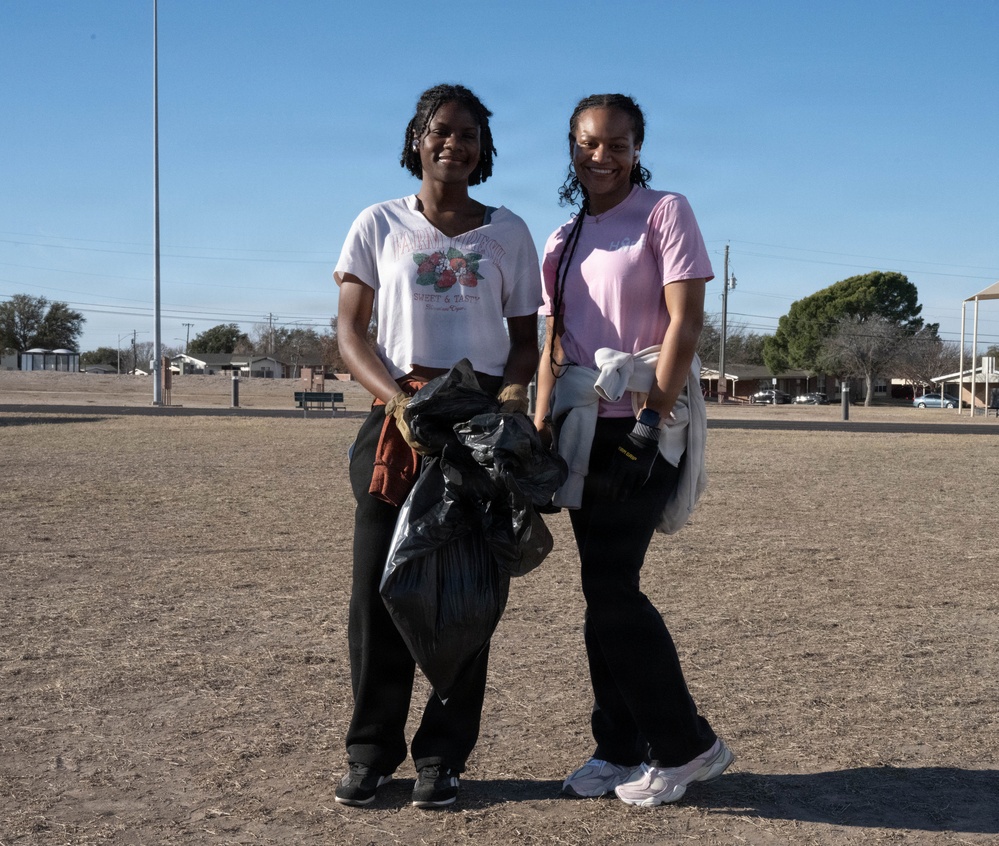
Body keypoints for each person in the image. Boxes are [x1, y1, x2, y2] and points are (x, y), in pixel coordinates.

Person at [332, 84, 542, 809]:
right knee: (377, 591)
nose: (454, 142)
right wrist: (396, 400)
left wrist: (512, 399)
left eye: (470, 134)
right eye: (440, 130)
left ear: (484, 150)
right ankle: (370, 752)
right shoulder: (377, 223)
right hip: (396, 421)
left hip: (477, 428)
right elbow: (350, 332)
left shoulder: (509, 232)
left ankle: (443, 754)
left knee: (464, 594)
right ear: (416, 138)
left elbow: (524, 344)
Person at [533, 93, 732, 807]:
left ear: (637, 147)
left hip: (646, 422)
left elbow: (685, 322)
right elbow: (552, 346)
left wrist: (651, 420)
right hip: (583, 427)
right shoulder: (561, 237)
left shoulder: (664, 211)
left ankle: (685, 746)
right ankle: (618, 748)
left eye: (616, 143)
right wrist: (538, 429)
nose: (601, 155)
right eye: (588, 143)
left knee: (613, 588)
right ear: (571, 148)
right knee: (599, 591)